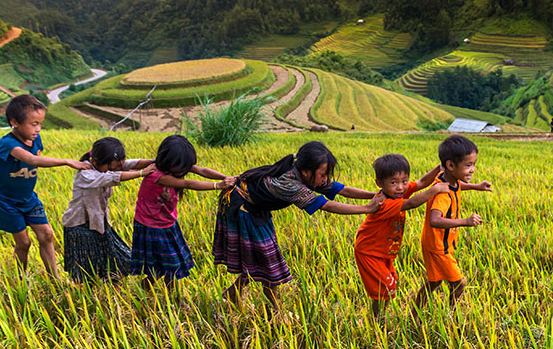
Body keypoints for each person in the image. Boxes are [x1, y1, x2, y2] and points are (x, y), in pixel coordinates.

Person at [213, 141, 383, 305]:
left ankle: (233, 293)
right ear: (308, 171)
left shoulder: (304, 173)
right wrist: (368, 209)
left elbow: (343, 190)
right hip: (242, 208)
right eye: (323, 175)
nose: (325, 179)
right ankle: (275, 310)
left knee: (261, 257)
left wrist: (377, 195)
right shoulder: (290, 183)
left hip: (255, 206)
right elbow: (326, 205)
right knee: (269, 261)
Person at [0, 94, 89, 279]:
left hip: (28, 198)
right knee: (24, 243)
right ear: (15, 123)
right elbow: (32, 159)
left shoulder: (35, 139)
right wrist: (67, 161)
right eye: (33, 124)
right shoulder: (8, 144)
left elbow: (37, 153)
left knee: (47, 235)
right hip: (6, 201)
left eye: (40, 124)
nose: (38, 129)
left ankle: (55, 279)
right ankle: (21, 279)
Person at [130, 135, 235, 292]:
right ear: (169, 160)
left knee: (164, 263)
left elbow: (202, 170)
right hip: (152, 226)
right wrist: (218, 185)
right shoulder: (157, 175)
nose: (183, 170)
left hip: (167, 223)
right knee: (170, 264)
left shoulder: (175, 165)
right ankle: (172, 297)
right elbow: (187, 183)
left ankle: (146, 287)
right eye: (181, 166)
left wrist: (227, 178)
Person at [354, 154, 448, 321]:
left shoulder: (398, 193)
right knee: (385, 288)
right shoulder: (384, 202)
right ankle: (375, 319)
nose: (401, 187)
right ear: (380, 184)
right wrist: (434, 189)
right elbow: (411, 203)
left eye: (404, 181)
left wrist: (439, 168)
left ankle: (377, 316)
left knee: (390, 285)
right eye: (394, 182)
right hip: (369, 252)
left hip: (384, 251)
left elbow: (420, 183)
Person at [414, 134, 492, 312]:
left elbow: (457, 186)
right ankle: (452, 314)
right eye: (468, 165)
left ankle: (415, 314)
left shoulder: (448, 179)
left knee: (434, 282)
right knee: (458, 284)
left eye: (473, 164)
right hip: (438, 246)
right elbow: (435, 220)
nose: (472, 169)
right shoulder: (442, 193)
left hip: (438, 243)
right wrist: (465, 221)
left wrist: (476, 186)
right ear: (450, 165)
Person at [61, 137, 154, 282]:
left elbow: (132, 163)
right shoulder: (86, 173)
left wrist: (155, 162)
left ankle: (113, 295)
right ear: (97, 160)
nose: (114, 169)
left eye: (117, 166)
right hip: (79, 226)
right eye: (112, 167)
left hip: (100, 224)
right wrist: (142, 173)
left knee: (116, 263)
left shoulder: (107, 165)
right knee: (86, 273)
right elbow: (112, 177)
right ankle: (88, 300)